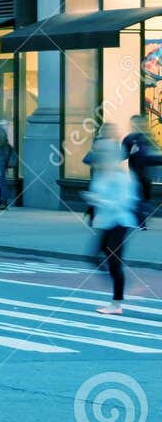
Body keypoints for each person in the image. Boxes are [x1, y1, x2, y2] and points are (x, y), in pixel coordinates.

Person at [85, 124, 141, 315]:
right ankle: (119, 286)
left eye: (103, 152)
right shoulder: (102, 174)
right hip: (105, 221)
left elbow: (123, 203)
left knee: (114, 262)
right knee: (93, 256)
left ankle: (117, 304)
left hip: (120, 221)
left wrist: (98, 200)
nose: (99, 156)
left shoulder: (121, 177)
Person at [121, 115, 159, 230]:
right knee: (139, 199)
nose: (136, 126)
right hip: (135, 175)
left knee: (146, 200)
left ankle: (141, 216)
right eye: (134, 124)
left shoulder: (148, 139)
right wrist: (130, 153)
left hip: (148, 175)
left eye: (139, 123)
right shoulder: (128, 139)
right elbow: (122, 156)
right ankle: (141, 223)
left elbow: (153, 158)